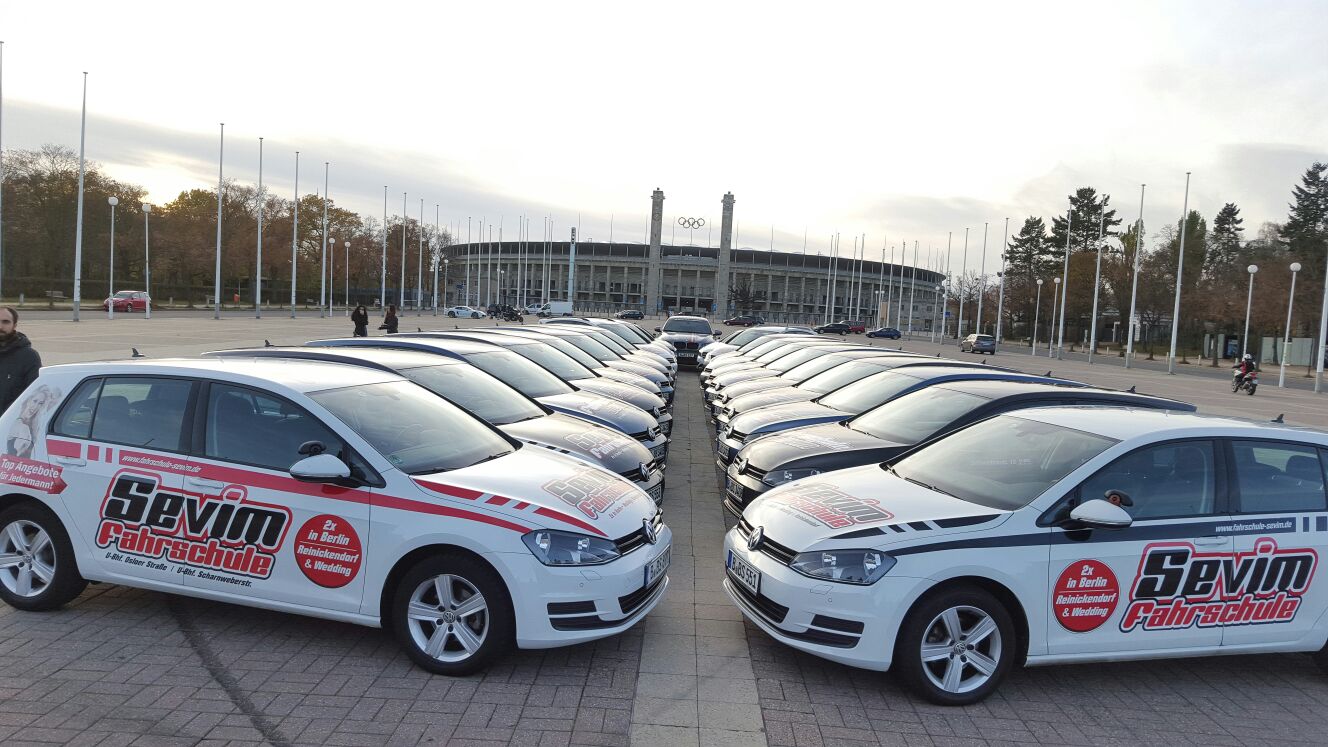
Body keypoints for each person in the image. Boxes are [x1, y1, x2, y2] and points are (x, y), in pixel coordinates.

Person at [0, 307, 41, 416]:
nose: (0, 326)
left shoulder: (29, 356)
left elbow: (35, 395)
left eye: (6, 322)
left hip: (8, 426)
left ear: (14, 325)